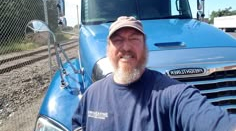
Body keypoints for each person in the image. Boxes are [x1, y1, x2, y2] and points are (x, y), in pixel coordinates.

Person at [72, 16, 236, 131]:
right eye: (118, 40)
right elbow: (78, 124)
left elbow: (213, 122)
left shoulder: (171, 93)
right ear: (108, 49)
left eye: (134, 39)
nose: (126, 47)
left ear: (145, 47)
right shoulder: (92, 94)